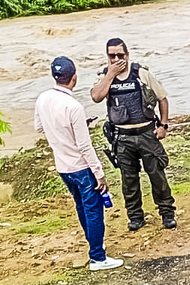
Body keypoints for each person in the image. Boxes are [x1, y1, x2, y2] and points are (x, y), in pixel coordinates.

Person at [33, 56, 123, 271]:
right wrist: (99, 173)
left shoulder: (43, 98)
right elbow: (84, 146)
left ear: (55, 77)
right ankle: (97, 257)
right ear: (74, 78)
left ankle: (94, 248)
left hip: (63, 166)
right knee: (94, 209)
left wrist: (59, 133)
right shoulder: (73, 106)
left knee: (81, 206)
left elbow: (39, 127)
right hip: (81, 166)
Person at [89, 38, 176, 230]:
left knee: (157, 177)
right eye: (112, 56)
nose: (117, 59)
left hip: (147, 134)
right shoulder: (104, 77)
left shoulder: (141, 73)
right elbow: (96, 97)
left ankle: (167, 213)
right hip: (122, 138)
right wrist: (110, 74)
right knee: (129, 181)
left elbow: (162, 98)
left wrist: (163, 125)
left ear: (127, 55)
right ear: (107, 57)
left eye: (121, 55)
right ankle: (135, 217)